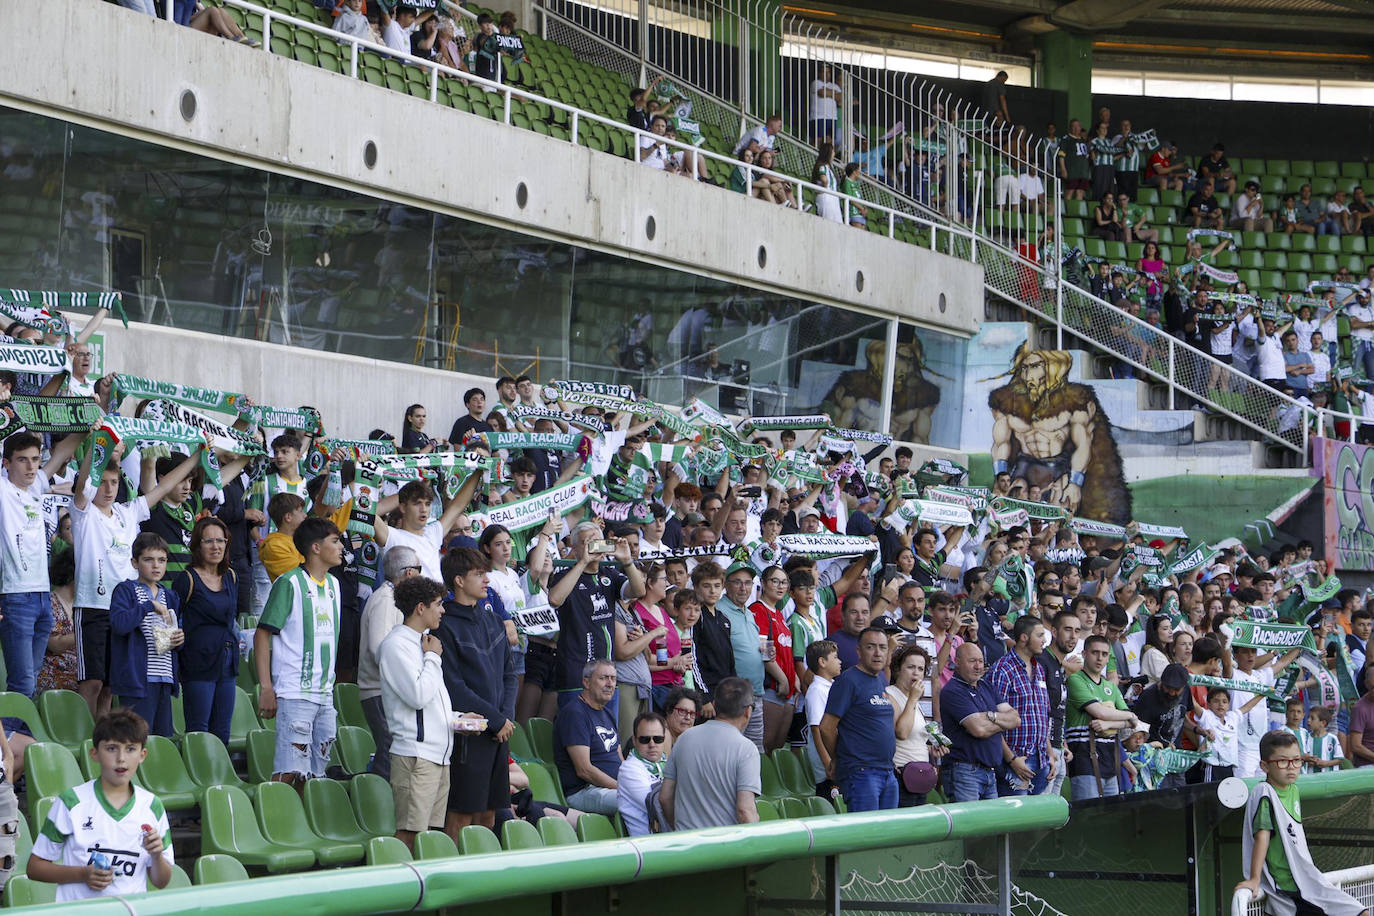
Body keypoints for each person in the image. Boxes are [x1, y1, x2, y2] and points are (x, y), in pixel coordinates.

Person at [71, 440, 199, 720]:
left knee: (109, 685)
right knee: (91, 682)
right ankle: (83, 742)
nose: (108, 489)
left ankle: (102, 737)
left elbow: (164, 487)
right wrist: (95, 443)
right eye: (102, 482)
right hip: (92, 605)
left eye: (113, 482)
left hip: (126, 607)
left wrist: (197, 456)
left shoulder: (128, 512)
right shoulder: (83, 512)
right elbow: (82, 484)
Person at [28, 710, 173, 902]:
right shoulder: (72, 802)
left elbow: (161, 881)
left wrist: (156, 856)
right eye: (112, 748)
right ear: (94, 753)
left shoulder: (152, 806)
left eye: (130, 749)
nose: (121, 758)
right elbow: (35, 868)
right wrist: (82, 874)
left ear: (142, 755)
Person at [1235, 730, 1369, 916]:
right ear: (1265, 766)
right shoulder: (1264, 792)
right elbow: (1262, 838)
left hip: (1309, 881)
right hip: (1289, 887)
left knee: (1361, 912)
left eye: (1296, 760)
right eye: (1282, 761)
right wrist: (1254, 879)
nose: (1291, 767)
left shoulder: (1293, 790)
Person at [255, 518, 345, 787]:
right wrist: (266, 687)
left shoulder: (334, 585)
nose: (342, 547)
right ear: (315, 548)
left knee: (318, 774)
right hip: (295, 692)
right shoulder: (289, 583)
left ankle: (309, 825)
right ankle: (282, 826)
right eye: (335, 541)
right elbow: (262, 633)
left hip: (325, 694)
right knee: (292, 772)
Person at [433, 548, 518, 836]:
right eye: (479, 574)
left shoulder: (494, 620)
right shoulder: (444, 625)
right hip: (468, 734)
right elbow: (454, 687)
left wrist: (506, 718)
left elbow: (510, 674)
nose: (486, 580)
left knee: (490, 817)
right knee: (461, 817)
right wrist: (496, 720)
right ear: (458, 580)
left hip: (498, 732)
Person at [0, 431, 82, 697]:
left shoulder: (36, 486)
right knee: (22, 681)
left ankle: (22, 736)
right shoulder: (2, 490)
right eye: (22, 460)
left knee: (32, 679)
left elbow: (60, 452)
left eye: (35, 459)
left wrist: (90, 421)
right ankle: (11, 736)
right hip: (14, 596)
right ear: (6, 463)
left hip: (41, 595)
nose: (31, 466)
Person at [377, 576, 454, 852]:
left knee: (430, 835)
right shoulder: (396, 645)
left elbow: (431, 698)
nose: (442, 610)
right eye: (438, 604)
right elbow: (417, 695)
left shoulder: (424, 642)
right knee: (409, 834)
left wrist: (456, 718)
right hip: (415, 754)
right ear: (420, 608)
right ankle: (395, 890)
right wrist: (433, 657)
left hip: (437, 754)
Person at [547, 522, 645, 717]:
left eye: (598, 542)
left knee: (607, 738)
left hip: (607, 677)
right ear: (574, 549)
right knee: (578, 735)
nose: (594, 547)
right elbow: (555, 599)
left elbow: (639, 591)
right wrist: (582, 562)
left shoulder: (608, 574)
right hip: (576, 675)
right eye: (588, 543)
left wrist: (627, 561)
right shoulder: (565, 575)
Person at [660, 676, 761, 830]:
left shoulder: (684, 738)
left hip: (685, 846)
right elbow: (745, 811)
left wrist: (678, 829)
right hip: (725, 848)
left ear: (714, 705)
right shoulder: (746, 749)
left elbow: (665, 797)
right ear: (748, 711)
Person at [171, 518, 239, 746]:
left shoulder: (231, 576)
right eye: (208, 541)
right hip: (198, 661)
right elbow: (171, 619)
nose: (215, 546)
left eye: (220, 540)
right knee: (199, 730)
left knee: (222, 731)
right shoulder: (188, 578)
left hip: (227, 659)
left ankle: (220, 780)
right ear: (197, 545)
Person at [109, 534, 184, 738]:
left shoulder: (170, 596)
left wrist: (179, 640)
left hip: (165, 677)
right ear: (135, 562)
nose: (156, 566)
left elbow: (177, 631)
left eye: (161, 560)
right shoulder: (126, 590)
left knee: (163, 739)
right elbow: (119, 624)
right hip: (137, 681)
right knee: (137, 738)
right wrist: (148, 606)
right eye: (148, 560)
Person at [357, 546, 421, 780]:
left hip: (387, 689)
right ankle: (380, 803)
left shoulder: (394, 599)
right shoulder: (386, 600)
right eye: (419, 569)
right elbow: (379, 647)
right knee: (391, 748)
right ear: (408, 573)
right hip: (378, 689)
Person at [819, 627, 898, 811]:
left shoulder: (881, 680)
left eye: (883, 647)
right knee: (869, 835)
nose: (878, 653)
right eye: (871, 647)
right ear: (859, 651)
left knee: (889, 836)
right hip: (862, 772)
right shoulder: (848, 681)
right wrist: (838, 757)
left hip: (887, 770)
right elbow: (826, 727)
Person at [986, 615, 1052, 796]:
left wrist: (1049, 753)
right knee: (1016, 820)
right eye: (1039, 635)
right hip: (1015, 760)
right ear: (1024, 637)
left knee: (1036, 822)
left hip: (1040, 758)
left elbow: (1041, 715)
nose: (1044, 641)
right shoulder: (1002, 670)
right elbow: (993, 722)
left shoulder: (1038, 668)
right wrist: (1012, 759)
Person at [1065, 635, 1138, 799]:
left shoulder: (1110, 686)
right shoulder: (1075, 680)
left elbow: (1132, 723)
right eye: (1095, 652)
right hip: (1084, 758)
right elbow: (1100, 712)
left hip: (1110, 758)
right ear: (1084, 654)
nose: (1100, 658)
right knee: (1089, 815)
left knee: (1110, 815)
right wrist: (1129, 716)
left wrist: (1108, 725)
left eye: (1104, 654)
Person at [554, 660, 622, 817]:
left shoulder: (608, 714)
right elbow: (584, 770)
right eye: (604, 678)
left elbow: (620, 759)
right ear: (586, 682)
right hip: (584, 791)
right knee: (636, 800)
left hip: (611, 790)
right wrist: (621, 788)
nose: (610, 684)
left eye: (613, 679)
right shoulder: (575, 714)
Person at [886, 643, 937, 807]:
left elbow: (916, 740)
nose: (916, 673)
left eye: (921, 669)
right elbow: (901, 732)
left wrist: (933, 748)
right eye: (910, 667)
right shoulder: (890, 694)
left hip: (921, 777)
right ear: (898, 670)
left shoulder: (915, 700)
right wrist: (913, 698)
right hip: (902, 776)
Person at [617, 712, 668, 836]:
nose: (652, 744)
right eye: (645, 739)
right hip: (648, 847)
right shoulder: (629, 769)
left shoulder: (668, 764)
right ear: (634, 741)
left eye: (658, 739)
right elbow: (658, 806)